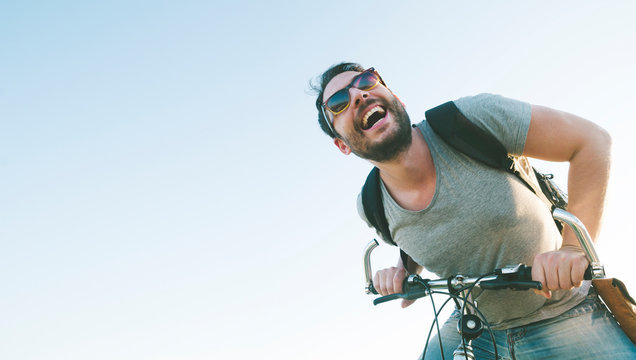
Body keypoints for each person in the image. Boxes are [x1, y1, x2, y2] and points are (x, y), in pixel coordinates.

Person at [311, 62, 636, 359]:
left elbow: (591, 141)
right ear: (342, 144)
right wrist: (402, 272)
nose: (358, 95)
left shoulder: (470, 119)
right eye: (338, 102)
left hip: (566, 313)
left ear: (395, 97)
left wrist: (573, 248)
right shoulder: (372, 205)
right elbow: (418, 235)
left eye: (367, 81)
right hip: (475, 327)